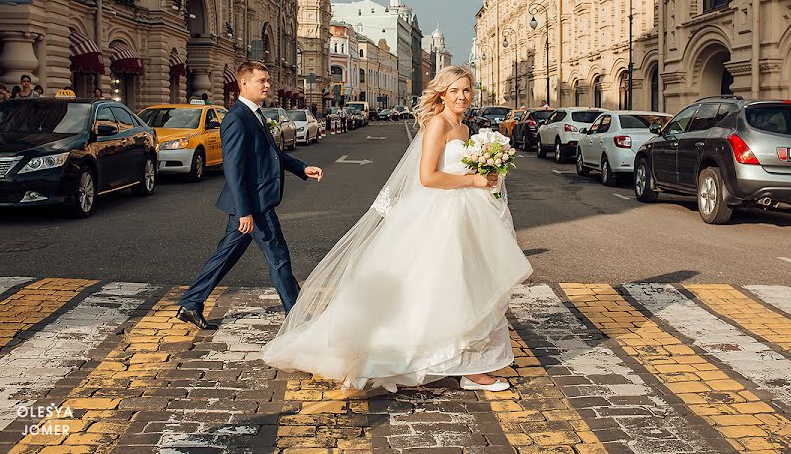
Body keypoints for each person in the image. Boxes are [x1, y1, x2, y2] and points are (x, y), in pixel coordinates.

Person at [262, 66, 532, 393]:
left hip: (464, 213)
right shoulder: (437, 125)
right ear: (442, 94)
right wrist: (473, 179)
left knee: (463, 286)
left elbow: (459, 169)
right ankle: (443, 361)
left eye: (467, 90)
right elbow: (427, 177)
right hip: (439, 214)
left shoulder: (462, 127)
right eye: (455, 90)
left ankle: (468, 364)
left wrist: (486, 175)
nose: (462, 96)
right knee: (441, 287)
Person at [176, 61, 324, 330]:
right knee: (279, 259)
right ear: (244, 83)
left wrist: (302, 168)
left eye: (268, 81)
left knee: (226, 255)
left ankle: (191, 302)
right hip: (253, 204)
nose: (268, 85)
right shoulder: (237, 118)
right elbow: (233, 168)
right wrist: (244, 211)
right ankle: (298, 318)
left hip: (252, 202)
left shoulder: (254, 114)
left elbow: (272, 155)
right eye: (262, 81)